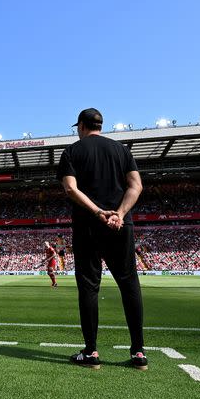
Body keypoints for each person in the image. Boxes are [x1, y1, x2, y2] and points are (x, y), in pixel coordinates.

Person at [57, 108, 147, 370]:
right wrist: (118, 214)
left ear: (81, 126)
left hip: (87, 225)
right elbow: (136, 186)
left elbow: (70, 188)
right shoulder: (122, 150)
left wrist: (97, 211)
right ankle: (138, 352)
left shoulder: (72, 151)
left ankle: (91, 352)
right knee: (129, 283)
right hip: (120, 225)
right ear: (101, 125)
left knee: (89, 286)